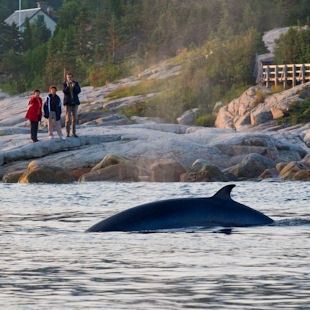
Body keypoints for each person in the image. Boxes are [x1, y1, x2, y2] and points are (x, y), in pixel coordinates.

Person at [63, 73, 81, 137]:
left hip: (75, 103)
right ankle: (67, 133)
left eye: (70, 77)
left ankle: (73, 132)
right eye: (68, 77)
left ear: (72, 77)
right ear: (66, 78)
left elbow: (78, 91)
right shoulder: (65, 83)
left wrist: (74, 87)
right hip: (68, 103)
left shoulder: (76, 83)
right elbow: (64, 91)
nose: (69, 78)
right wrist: (68, 87)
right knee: (68, 119)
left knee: (75, 118)